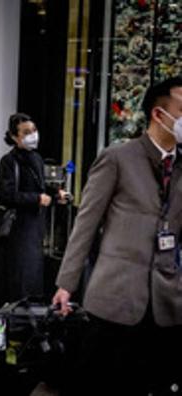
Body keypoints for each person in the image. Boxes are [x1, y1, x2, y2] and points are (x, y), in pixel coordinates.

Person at [52, 77, 182, 396]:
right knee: (104, 382)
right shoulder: (118, 158)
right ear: (159, 114)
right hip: (115, 296)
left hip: (166, 301)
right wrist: (66, 283)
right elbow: (86, 223)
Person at [0, 113, 66, 309]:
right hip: (15, 228)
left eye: (34, 130)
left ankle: (21, 312)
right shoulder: (9, 161)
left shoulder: (36, 157)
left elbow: (38, 186)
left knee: (28, 273)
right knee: (16, 274)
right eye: (26, 132)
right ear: (14, 137)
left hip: (33, 225)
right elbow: (7, 194)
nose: (33, 135)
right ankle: (9, 314)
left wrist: (55, 193)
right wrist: (36, 199)